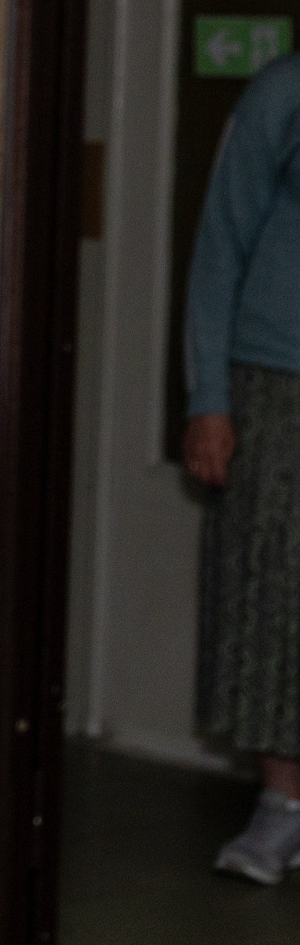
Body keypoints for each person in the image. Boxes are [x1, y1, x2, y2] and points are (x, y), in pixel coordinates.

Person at [183, 49, 300, 884]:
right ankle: (281, 806)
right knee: (270, 592)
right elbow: (219, 248)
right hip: (275, 383)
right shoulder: (282, 93)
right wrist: (208, 398)